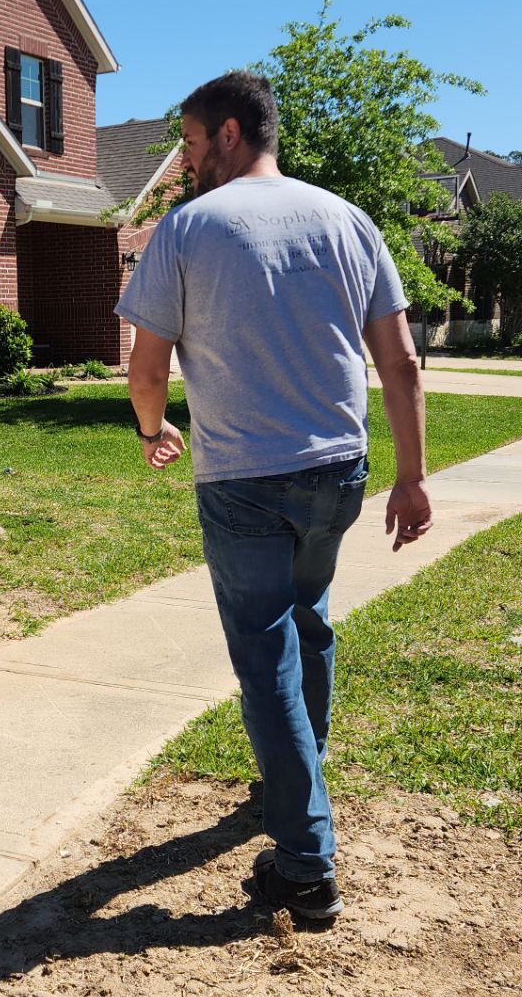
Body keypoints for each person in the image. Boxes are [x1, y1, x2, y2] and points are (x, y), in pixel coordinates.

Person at [115, 70, 432, 926]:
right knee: (308, 619)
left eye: (189, 143)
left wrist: (151, 429)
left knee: (265, 660)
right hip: (339, 472)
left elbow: (146, 370)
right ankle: (300, 776)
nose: (185, 163)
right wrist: (412, 475)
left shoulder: (186, 229)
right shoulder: (348, 220)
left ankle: (304, 866)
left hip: (244, 481)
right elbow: (400, 361)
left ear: (228, 133)